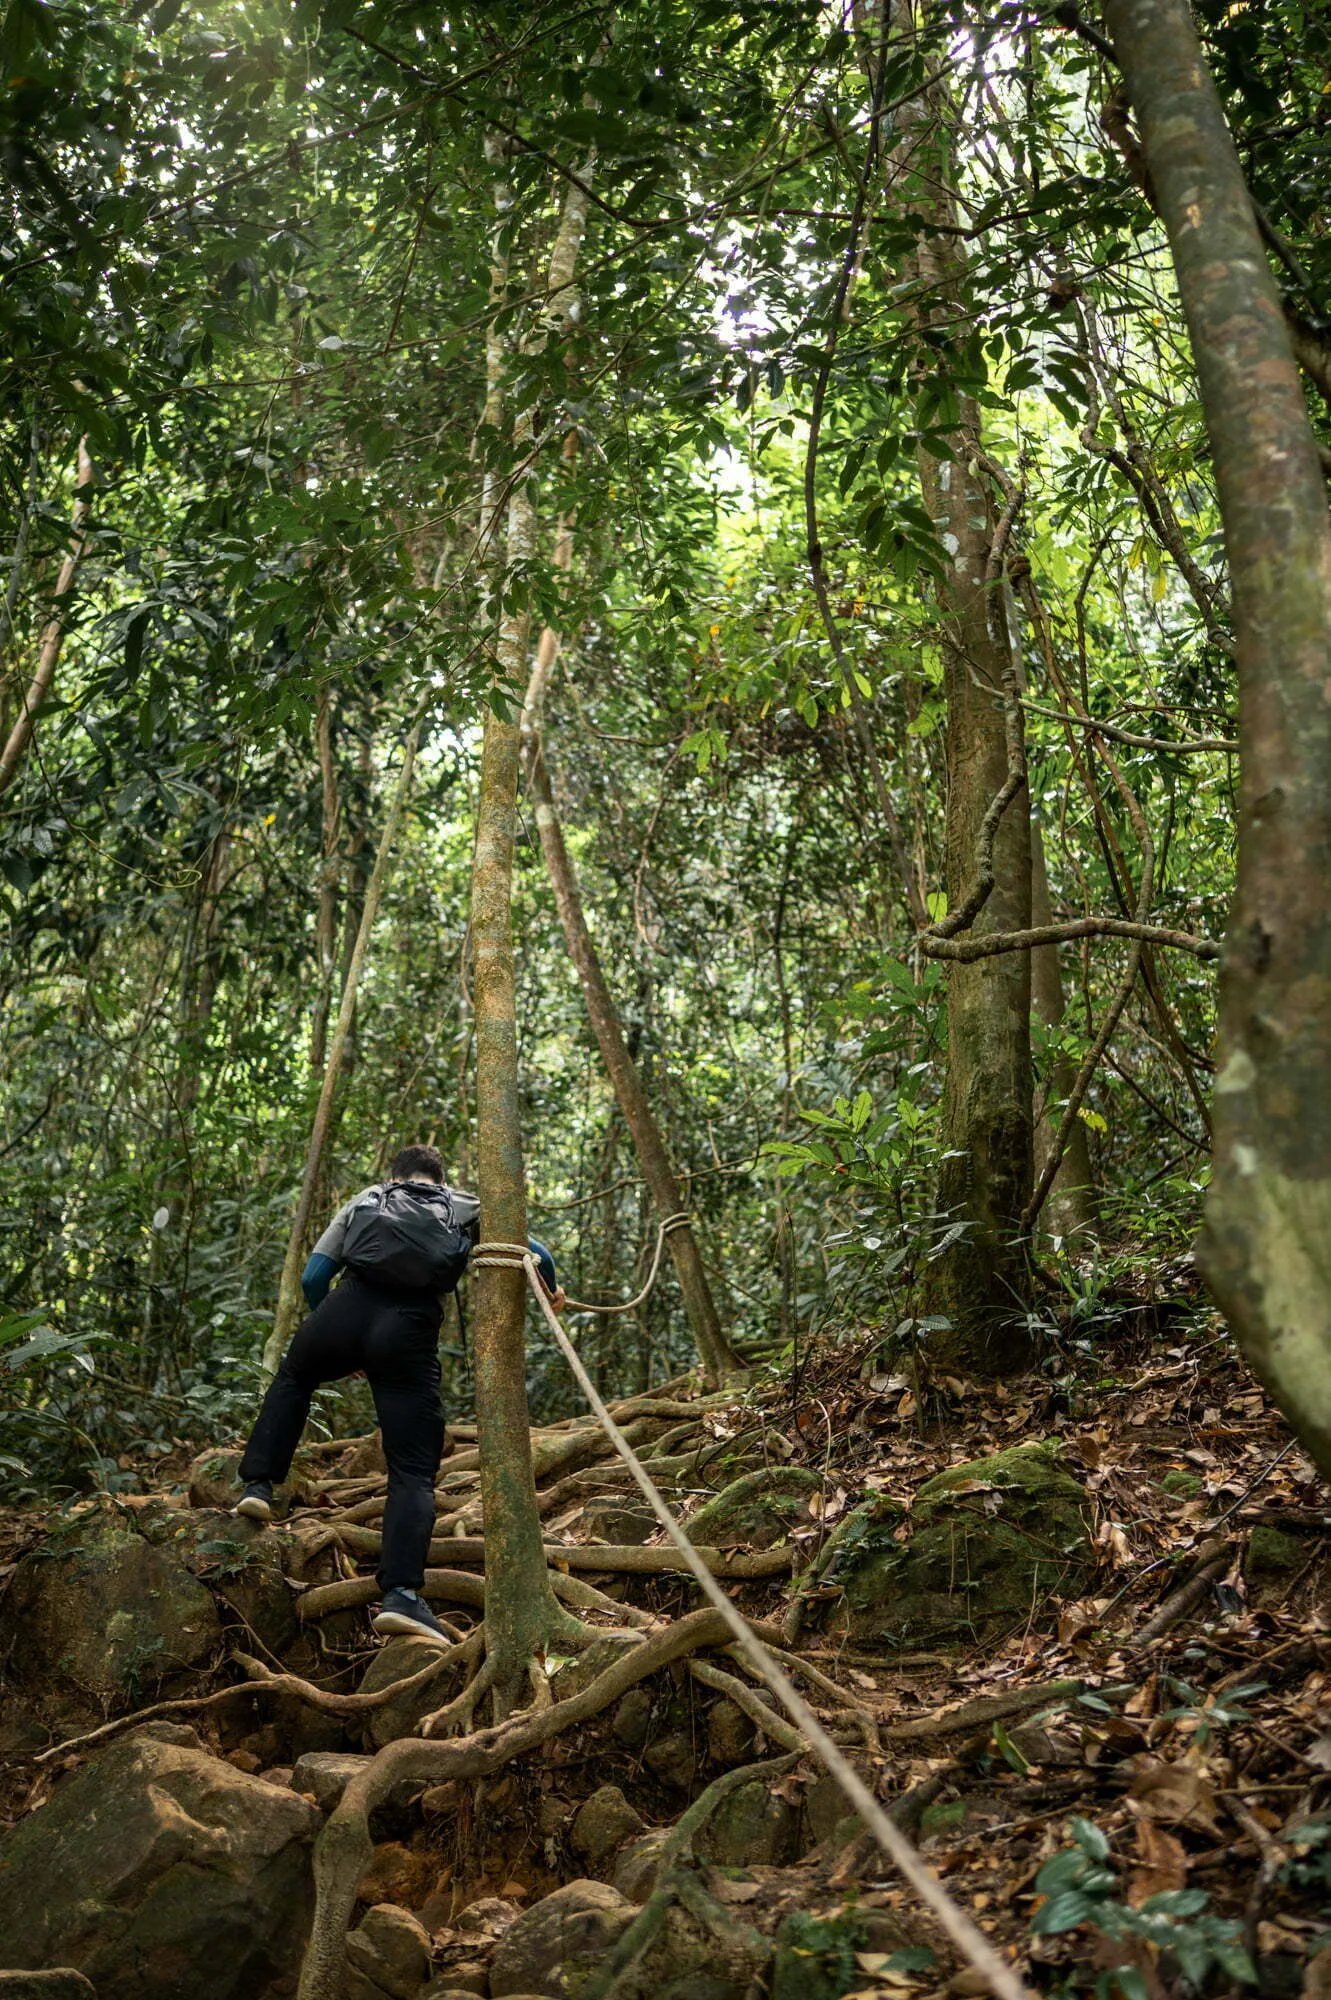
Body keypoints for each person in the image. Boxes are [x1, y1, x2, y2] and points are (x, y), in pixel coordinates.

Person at [234, 1143, 563, 1646]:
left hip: (345, 1309)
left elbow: (313, 1276)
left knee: (295, 1378)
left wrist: (338, 1334)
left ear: (396, 1174)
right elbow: (537, 1255)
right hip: (408, 1327)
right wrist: (552, 1288)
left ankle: (258, 1488)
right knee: (412, 1466)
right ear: (441, 1177)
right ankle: (401, 1596)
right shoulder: (465, 1204)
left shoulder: (368, 1197)